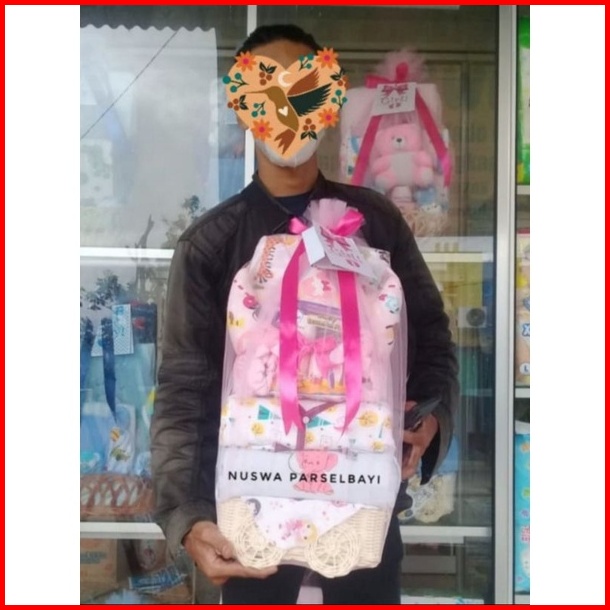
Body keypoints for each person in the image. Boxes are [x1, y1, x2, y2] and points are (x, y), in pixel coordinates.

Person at [151, 24, 459, 605]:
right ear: (241, 108)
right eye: (267, 95)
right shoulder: (212, 244)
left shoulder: (376, 224)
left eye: (304, 93)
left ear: (330, 101)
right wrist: (187, 517)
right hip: (250, 515)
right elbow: (184, 390)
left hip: (361, 507)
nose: (287, 113)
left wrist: (430, 415)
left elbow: (431, 336)